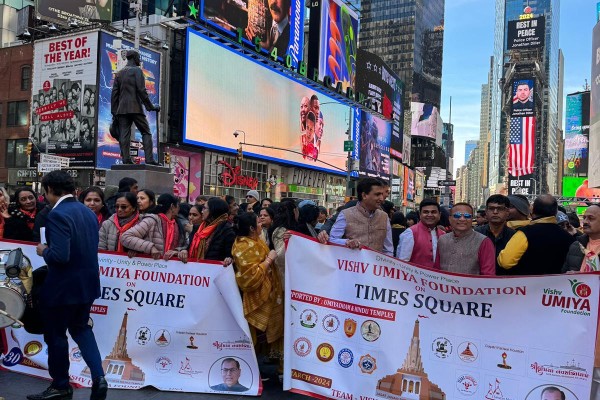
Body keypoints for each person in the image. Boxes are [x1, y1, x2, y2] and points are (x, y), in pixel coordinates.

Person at [28, 170, 107, 400]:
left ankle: (61, 385)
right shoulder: (88, 212)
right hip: (87, 284)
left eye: (45, 193)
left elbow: (60, 256)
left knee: (56, 336)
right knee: (82, 329)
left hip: (62, 287)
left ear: (50, 190)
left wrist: (44, 251)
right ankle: (99, 377)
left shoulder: (57, 214)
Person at [232, 212, 283, 373]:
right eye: (258, 222)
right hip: (256, 295)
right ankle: (248, 372)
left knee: (274, 331)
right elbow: (250, 276)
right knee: (253, 335)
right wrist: (269, 259)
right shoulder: (243, 245)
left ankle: (275, 368)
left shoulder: (255, 241)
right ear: (251, 228)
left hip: (270, 294)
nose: (261, 223)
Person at [498, 194, 575, 275]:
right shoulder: (568, 237)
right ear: (556, 212)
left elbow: (505, 262)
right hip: (558, 286)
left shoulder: (524, 233)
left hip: (528, 285)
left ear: (533, 211)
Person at [110, 49, 160, 165]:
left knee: (124, 134)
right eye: (138, 57)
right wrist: (150, 106)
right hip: (135, 107)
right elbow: (142, 91)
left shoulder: (119, 73)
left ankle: (126, 159)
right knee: (146, 132)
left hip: (121, 110)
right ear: (134, 58)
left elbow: (114, 95)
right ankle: (149, 159)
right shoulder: (137, 71)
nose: (139, 60)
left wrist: (114, 112)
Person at [330, 177, 393, 256]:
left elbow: (388, 249)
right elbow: (332, 239)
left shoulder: (384, 216)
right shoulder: (346, 214)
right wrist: (347, 242)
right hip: (352, 266)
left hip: (376, 266)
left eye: (382, 194)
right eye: (377, 194)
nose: (381, 198)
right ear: (364, 195)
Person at [120, 194, 186, 260]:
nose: (179, 209)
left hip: (167, 268)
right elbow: (125, 237)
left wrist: (177, 252)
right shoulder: (151, 220)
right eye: (178, 206)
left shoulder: (178, 225)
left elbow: (182, 246)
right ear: (172, 206)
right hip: (149, 266)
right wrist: (150, 247)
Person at [438, 203, 495, 275]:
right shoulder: (442, 240)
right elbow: (436, 269)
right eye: (457, 215)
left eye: (467, 216)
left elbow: (488, 274)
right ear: (450, 219)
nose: (462, 219)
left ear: (472, 219)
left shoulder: (484, 242)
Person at [180, 197, 235, 263]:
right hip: (195, 269)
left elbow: (230, 256)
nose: (202, 211)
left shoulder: (227, 231)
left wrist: (229, 259)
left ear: (213, 210)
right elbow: (190, 248)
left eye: (204, 208)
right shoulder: (198, 228)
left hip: (213, 271)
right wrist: (184, 251)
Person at [397, 199, 445, 268]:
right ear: (420, 214)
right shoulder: (410, 233)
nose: (430, 215)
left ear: (439, 215)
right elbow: (402, 263)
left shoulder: (443, 234)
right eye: (426, 212)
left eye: (433, 212)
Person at [475, 194, 515, 275]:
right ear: (486, 211)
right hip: (480, 283)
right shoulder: (476, 234)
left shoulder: (514, 236)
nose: (495, 212)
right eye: (491, 208)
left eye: (500, 209)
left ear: (507, 212)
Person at [269, 199, 299, 286]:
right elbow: (280, 257)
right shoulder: (281, 231)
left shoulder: (288, 229)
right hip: (283, 276)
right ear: (294, 211)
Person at [563, 205, 600, 272]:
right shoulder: (576, 246)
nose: (585, 222)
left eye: (591, 218)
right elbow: (564, 272)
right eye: (584, 218)